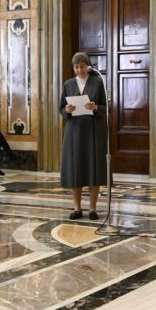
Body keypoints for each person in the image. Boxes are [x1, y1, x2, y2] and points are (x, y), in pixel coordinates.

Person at [60, 52, 108, 220]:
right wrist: (66, 111)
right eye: (76, 67)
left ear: (87, 66)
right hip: (74, 131)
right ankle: (77, 208)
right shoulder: (68, 84)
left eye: (81, 66)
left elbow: (106, 107)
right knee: (76, 169)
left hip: (93, 131)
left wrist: (95, 107)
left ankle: (93, 209)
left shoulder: (97, 82)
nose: (79, 69)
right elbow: (61, 108)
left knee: (93, 169)